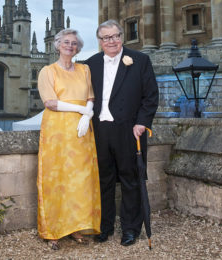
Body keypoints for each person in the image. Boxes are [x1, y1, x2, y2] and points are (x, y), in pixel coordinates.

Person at [84, 20, 158, 246]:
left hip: (129, 130)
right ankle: (104, 227)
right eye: (106, 38)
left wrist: (142, 123)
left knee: (130, 180)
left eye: (115, 36)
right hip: (99, 130)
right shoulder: (90, 64)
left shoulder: (140, 60)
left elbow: (151, 96)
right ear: (100, 41)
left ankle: (130, 229)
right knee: (103, 181)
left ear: (122, 37)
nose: (112, 41)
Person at [36, 28, 101, 250]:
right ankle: (53, 230)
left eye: (74, 43)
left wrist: (88, 113)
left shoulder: (84, 69)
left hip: (81, 132)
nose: (70, 46)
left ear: (78, 47)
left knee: (80, 180)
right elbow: (51, 103)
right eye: (66, 42)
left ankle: (75, 227)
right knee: (56, 179)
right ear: (57, 44)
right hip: (57, 130)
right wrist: (82, 111)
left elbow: (90, 96)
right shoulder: (47, 71)